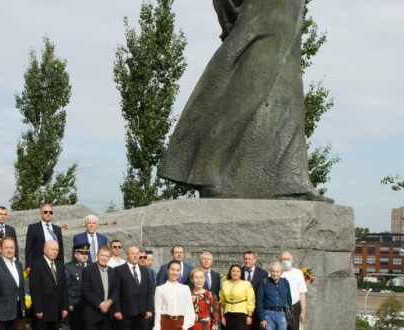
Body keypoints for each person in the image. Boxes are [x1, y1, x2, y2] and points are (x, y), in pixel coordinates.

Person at [158, 0, 319, 201]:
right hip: (259, 26)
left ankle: (292, 179)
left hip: (287, 29)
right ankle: (207, 172)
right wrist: (232, 28)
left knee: (287, 105)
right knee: (242, 99)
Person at [0, 237, 26, 330]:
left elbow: (20, 288)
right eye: (6, 248)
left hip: (15, 311)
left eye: (11, 248)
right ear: (1, 249)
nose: (9, 250)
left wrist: (22, 307)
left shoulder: (18, 265)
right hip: (0, 313)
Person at [29, 240, 69, 330]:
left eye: (57, 250)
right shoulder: (37, 265)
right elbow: (34, 289)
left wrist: (65, 307)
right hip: (42, 312)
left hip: (56, 312)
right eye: (52, 249)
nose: (55, 252)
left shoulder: (60, 265)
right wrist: (38, 309)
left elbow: (64, 287)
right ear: (45, 250)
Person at [113, 245, 154, 330]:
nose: (135, 256)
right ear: (127, 255)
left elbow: (149, 291)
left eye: (137, 253)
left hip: (143, 314)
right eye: (132, 254)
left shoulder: (145, 270)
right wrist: (117, 310)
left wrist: (150, 309)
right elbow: (115, 292)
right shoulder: (118, 270)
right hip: (125, 314)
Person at [81, 246, 116, 330]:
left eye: (107, 256)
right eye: (102, 255)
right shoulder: (88, 270)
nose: (104, 258)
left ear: (110, 258)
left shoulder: (112, 271)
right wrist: (100, 304)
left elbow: (116, 290)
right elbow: (85, 291)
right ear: (97, 255)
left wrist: (109, 302)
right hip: (92, 314)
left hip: (108, 315)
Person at [153, 260, 195, 330]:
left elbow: (190, 310)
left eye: (178, 270)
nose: (175, 273)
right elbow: (158, 311)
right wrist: (157, 327)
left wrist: (185, 326)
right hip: (164, 323)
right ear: (168, 270)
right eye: (172, 270)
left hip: (181, 324)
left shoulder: (185, 288)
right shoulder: (160, 289)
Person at [25, 204, 64, 272]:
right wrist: (28, 265)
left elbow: (60, 249)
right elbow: (29, 248)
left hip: (54, 264)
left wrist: (61, 264)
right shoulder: (33, 228)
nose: (48, 214)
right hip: (38, 264)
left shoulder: (57, 229)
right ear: (41, 213)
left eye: (50, 212)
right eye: (45, 212)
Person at [256, 262, 292, 330]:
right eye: (273, 271)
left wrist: (288, 316)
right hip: (268, 315)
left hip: (282, 315)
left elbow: (289, 300)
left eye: (277, 272)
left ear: (281, 272)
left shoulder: (285, 282)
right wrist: (262, 318)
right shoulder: (264, 282)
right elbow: (259, 301)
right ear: (270, 272)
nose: (275, 274)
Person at [219, 265, 255, 330]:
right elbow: (222, 302)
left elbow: (251, 300)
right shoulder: (225, 284)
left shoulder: (246, 284)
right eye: (233, 271)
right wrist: (222, 317)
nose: (235, 273)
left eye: (238, 271)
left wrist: (250, 316)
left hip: (242, 315)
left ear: (241, 273)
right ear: (230, 272)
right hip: (228, 315)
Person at [279, 252, 307, 330]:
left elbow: (302, 294)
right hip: (280, 309)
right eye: (283, 259)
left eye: (288, 259)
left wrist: (303, 312)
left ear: (292, 261)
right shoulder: (276, 273)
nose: (285, 261)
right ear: (280, 261)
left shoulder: (298, 273)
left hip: (295, 308)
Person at [66, 243, 90, 330]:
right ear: (76, 254)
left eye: (86, 254)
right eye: (82, 253)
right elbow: (66, 287)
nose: (84, 256)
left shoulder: (92, 266)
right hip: (75, 304)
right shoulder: (69, 267)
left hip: (89, 305)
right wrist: (69, 303)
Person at [241, 251, 267, 330]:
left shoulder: (263, 273)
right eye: (245, 259)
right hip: (242, 308)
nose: (247, 261)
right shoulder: (238, 271)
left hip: (257, 309)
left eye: (249, 259)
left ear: (255, 260)